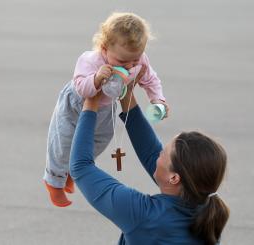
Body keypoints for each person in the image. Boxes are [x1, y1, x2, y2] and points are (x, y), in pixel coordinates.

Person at [69, 80, 230, 244]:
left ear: (174, 178)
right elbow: (151, 153)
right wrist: (126, 93)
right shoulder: (206, 211)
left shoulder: (144, 215)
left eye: (163, 153)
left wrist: (91, 100)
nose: (157, 154)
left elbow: (80, 167)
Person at [43, 12, 170, 207]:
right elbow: (81, 88)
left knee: (100, 140)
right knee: (63, 142)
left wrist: (158, 100)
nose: (129, 66)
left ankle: (70, 171)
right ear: (104, 47)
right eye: (122, 62)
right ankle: (53, 182)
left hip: (104, 109)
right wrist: (95, 79)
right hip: (75, 106)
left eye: (134, 61)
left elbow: (150, 79)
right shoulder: (90, 60)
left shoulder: (138, 59)